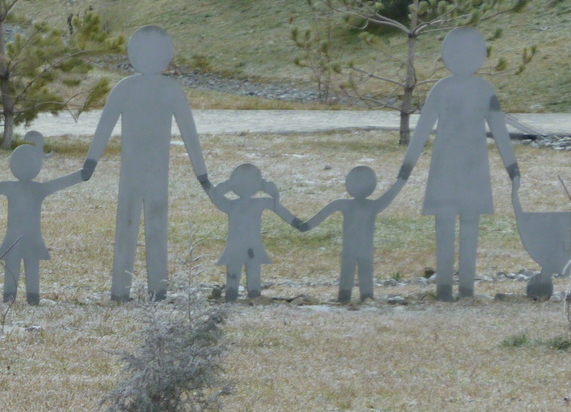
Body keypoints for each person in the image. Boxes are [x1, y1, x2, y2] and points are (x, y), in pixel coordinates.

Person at [385, 27, 520, 301]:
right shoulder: (442, 89)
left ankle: (467, 288)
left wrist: (512, 168)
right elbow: (422, 130)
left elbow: (499, 130)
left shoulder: (483, 89)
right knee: (445, 221)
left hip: (474, 166)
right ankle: (444, 288)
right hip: (445, 165)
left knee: (471, 222)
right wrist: (406, 168)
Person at [82, 26, 210, 302]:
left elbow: (189, 133)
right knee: (126, 227)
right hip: (132, 172)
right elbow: (104, 127)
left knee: (156, 228)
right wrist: (90, 162)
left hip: (157, 172)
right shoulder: (124, 89)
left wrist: (202, 173)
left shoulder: (171, 90)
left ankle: (158, 290)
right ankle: (120, 290)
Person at [0, 132, 83, 305]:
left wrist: (81, 175)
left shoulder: (27, 188)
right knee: (16, 264)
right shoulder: (25, 188)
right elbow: (61, 182)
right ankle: (14, 297)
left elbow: (62, 182)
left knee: (27, 265)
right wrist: (81, 175)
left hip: (28, 237)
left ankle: (28, 297)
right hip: (18, 238)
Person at [296, 165, 400, 304]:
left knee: (364, 271)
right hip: (353, 247)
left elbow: (389, 197)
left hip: (363, 247)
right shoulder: (351, 204)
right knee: (351, 270)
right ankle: (347, 297)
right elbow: (324, 213)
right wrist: (306, 226)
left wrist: (400, 182)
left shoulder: (369, 205)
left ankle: (365, 297)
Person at [209, 164, 300, 302]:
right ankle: (231, 295)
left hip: (253, 246)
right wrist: (225, 187)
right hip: (235, 246)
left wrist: (275, 195)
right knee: (234, 269)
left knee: (253, 270)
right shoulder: (233, 205)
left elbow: (278, 208)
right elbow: (216, 199)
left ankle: (253, 295)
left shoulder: (260, 203)